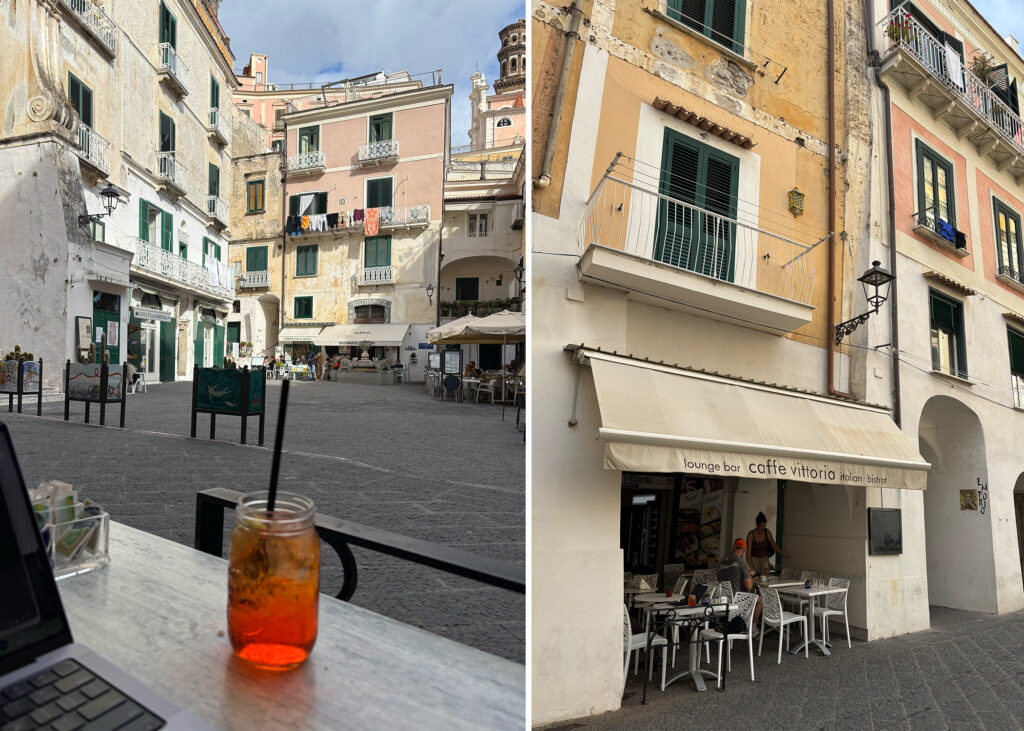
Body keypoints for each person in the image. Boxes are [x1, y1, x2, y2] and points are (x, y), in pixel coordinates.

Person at [717, 538, 760, 627]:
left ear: (733, 547)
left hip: (721, 600)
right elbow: (748, 586)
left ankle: (725, 620)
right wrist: (749, 575)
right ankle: (753, 629)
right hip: (736, 600)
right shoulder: (742, 562)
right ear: (744, 550)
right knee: (759, 600)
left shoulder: (721, 560)